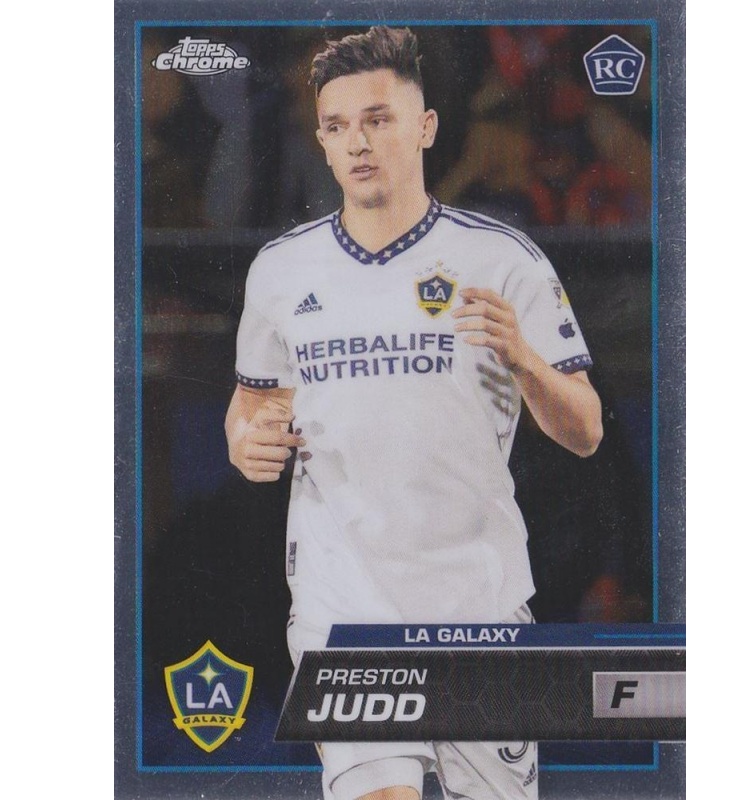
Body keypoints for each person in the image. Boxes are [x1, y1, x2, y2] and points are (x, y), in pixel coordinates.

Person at [225, 26, 602, 800]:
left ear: (425, 126)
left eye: (378, 119)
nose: (358, 142)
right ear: (322, 141)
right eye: (337, 126)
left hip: (478, 605)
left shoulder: (503, 259)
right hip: (342, 608)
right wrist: (245, 441)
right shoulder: (281, 270)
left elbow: (587, 430)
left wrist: (525, 359)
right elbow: (252, 407)